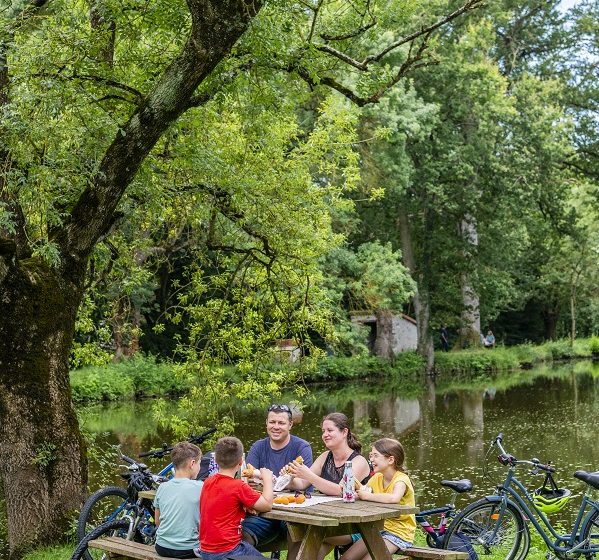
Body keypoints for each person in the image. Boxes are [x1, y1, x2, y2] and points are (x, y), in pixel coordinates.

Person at [323, 438, 416, 560]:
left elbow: (394, 498)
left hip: (398, 533)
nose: (371, 459)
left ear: (390, 460)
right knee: (346, 558)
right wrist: (354, 493)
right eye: (371, 455)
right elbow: (364, 491)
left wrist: (367, 496)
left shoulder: (401, 479)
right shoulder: (377, 477)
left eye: (375, 456)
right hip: (377, 529)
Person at [241, 404, 313, 550]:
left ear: (290, 424)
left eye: (281, 423)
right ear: (266, 423)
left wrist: (265, 482)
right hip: (264, 512)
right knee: (241, 534)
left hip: (295, 512)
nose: (276, 426)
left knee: (297, 532)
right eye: (272, 422)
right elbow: (247, 480)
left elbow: (303, 483)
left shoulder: (302, 447)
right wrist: (280, 481)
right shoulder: (258, 447)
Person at [199, 437, 273, 560]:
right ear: (240, 462)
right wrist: (267, 479)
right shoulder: (238, 486)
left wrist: (244, 505)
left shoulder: (208, 482)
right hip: (228, 551)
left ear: (216, 460)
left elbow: (222, 503)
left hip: (205, 550)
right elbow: (267, 505)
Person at [286, 412, 370, 496]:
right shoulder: (325, 456)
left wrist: (309, 475)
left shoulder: (359, 461)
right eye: (323, 431)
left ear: (344, 432)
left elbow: (342, 490)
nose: (325, 435)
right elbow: (303, 483)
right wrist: (287, 480)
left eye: (330, 430)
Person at [153, 442, 203, 559]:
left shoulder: (162, 487)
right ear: (192, 463)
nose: (200, 468)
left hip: (161, 547)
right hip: (189, 549)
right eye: (199, 463)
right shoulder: (200, 487)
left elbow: (157, 521)